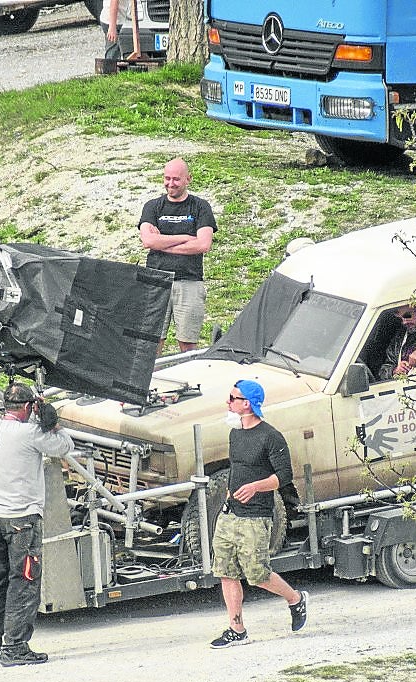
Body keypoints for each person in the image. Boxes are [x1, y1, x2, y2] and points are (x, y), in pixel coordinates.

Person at [0, 383, 73, 667]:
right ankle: (16, 646)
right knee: (23, 582)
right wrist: (51, 421)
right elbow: (64, 447)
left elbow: (8, 428)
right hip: (22, 521)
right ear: (30, 407)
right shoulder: (31, 434)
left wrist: (36, 415)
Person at [209, 379, 307, 649]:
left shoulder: (270, 436)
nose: (228, 402)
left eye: (233, 398)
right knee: (226, 571)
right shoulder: (235, 433)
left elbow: (285, 476)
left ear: (247, 404)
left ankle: (295, 599)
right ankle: (236, 628)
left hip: (256, 516)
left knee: (257, 574)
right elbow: (238, 468)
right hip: (230, 513)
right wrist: (230, 496)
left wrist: (255, 487)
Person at [139, 157, 217, 353]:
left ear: (188, 179)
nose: (170, 184)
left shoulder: (200, 207)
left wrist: (161, 243)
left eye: (176, 179)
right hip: (156, 280)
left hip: (189, 281)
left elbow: (203, 244)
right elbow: (148, 241)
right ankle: (150, 381)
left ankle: (189, 381)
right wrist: (184, 237)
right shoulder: (152, 206)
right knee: (151, 342)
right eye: (167, 178)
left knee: (188, 342)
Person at [377, 303, 416, 380]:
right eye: (401, 318)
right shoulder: (399, 338)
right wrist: (395, 370)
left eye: (407, 316)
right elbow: (383, 371)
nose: (404, 322)